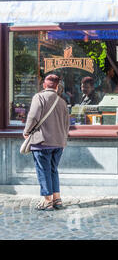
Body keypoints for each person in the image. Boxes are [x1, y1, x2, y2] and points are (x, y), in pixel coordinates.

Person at [23, 74, 70, 211]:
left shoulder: (39, 97)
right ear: (57, 87)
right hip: (58, 143)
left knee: (43, 171)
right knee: (53, 170)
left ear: (44, 85)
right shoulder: (62, 102)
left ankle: (47, 200)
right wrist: (62, 139)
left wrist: (27, 131)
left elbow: (32, 116)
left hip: (42, 141)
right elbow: (66, 125)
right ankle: (57, 199)